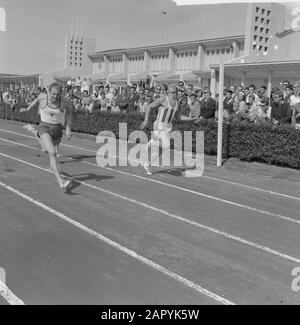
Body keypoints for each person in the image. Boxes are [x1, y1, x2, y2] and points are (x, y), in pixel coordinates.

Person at [20, 83, 73, 190]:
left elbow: (70, 113)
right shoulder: (43, 96)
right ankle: (61, 181)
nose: (55, 97)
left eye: (58, 94)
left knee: (46, 151)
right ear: (48, 92)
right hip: (45, 127)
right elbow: (35, 102)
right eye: (53, 94)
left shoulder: (65, 101)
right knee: (53, 153)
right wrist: (27, 109)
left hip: (57, 129)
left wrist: (68, 127)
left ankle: (34, 132)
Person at [140, 84, 195, 175]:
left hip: (168, 127)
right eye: (173, 92)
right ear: (168, 92)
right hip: (159, 125)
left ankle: (147, 164)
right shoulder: (163, 99)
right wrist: (146, 120)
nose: (174, 93)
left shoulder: (177, 103)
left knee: (162, 149)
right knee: (166, 145)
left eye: (175, 92)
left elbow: (179, 117)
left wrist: (191, 119)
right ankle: (151, 143)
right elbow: (149, 106)